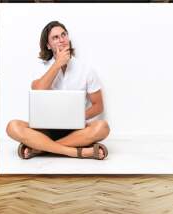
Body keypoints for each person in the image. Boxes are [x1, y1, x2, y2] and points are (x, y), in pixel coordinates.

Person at [6, 21, 110, 160]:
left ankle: (39, 148)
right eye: (55, 37)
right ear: (48, 45)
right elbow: (38, 90)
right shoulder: (40, 67)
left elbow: (98, 106)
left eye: (63, 35)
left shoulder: (86, 69)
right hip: (45, 129)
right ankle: (76, 152)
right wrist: (57, 64)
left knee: (102, 127)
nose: (61, 40)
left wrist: (75, 118)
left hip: (76, 130)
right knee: (12, 126)